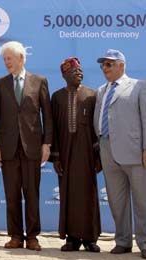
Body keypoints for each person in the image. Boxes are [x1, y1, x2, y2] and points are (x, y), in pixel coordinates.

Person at [0, 41, 53, 251]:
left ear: (21, 58)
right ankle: (15, 236)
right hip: (8, 149)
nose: (7, 62)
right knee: (11, 194)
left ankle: (33, 236)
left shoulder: (39, 81)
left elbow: (48, 116)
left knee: (32, 193)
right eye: (4, 59)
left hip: (32, 147)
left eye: (10, 58)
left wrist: (46, 144)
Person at [94, 49, 146, 259]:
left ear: (121, 65)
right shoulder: (100, 90)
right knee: (116, 201)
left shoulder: (139, 86)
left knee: (142, 201)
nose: (105, 68)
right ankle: (123, 242)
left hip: (134, 153)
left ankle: (144, 243)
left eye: (109, 64)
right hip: (107, 150)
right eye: (103, 65)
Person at [51, 57, 101, 252]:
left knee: (89, 195)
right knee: (68, 195)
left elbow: (96, 129)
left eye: (80, 71)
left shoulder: (92, 95)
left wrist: (98, 157)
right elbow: (53, 128)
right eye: (74, 72)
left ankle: (90, 238)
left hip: (87, 154)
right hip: (65, 154)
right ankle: (72, 238)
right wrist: (55, 157)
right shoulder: (57, 97)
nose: (79, 74)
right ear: (64, 75)